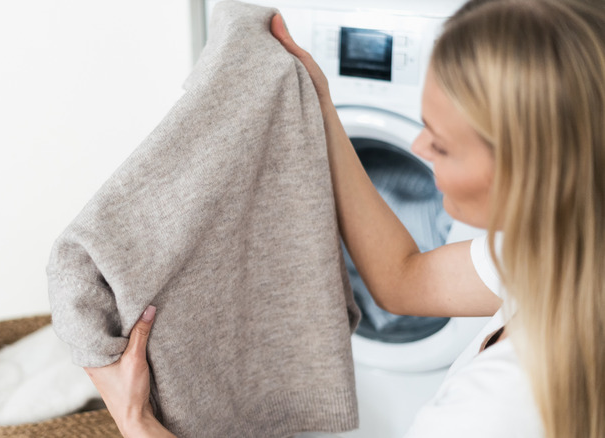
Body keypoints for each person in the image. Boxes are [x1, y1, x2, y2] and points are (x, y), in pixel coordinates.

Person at [83, 0, 605, 436]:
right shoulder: (564, 248)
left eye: (442, 146)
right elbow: (404, 280)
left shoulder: (494, 409)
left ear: (531, 170)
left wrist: (137, 420)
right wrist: (320, 106)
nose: (421, 147)